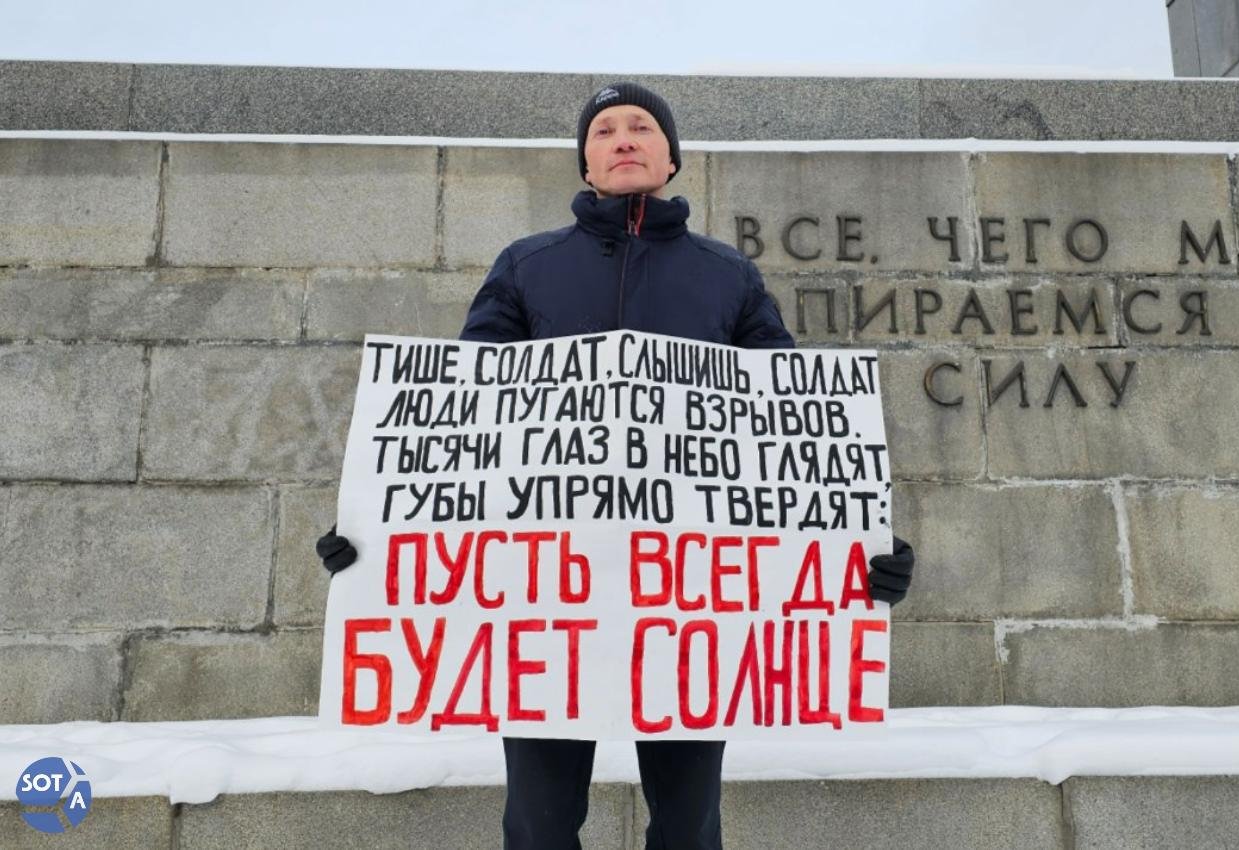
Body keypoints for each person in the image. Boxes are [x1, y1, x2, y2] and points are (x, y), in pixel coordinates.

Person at [317, 81, 916, 850]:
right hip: (545, 600)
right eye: (604, 130)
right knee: (537, 824)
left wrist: (857, 549)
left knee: (689, 825)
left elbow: (793, 430)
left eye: (641, 126)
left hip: (690, 602)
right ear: (586, 163)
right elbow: (462, 417)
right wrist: (374, 537)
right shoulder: (526, 266)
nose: (623, 138)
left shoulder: (729, 276)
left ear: (671, 158)